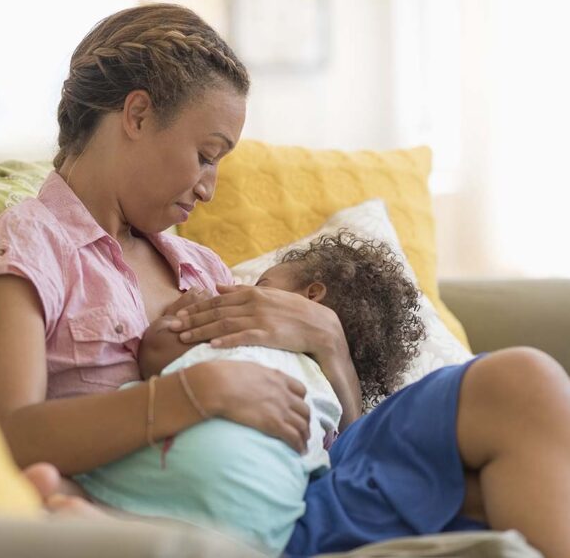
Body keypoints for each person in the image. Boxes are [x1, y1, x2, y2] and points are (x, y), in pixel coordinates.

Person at [0, 4, 570, 557]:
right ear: (138, 115)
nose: (209, 185)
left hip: (308, 485)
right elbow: (3, 434)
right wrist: (194, 394)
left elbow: (332, 441)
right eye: (206, 154)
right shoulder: (33, 246)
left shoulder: (200, 265)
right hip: (202, 505)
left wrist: (329, 343)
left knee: (523, 389)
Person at [73, 231, 426, 555]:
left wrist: (177, 318)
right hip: (259, 519)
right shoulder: (329, 399)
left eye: (261, 284)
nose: (241, 289)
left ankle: (79, 506)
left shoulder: (240, 333)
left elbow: (156, 355)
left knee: (78, 474)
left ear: (312, 294)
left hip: (178, 467)